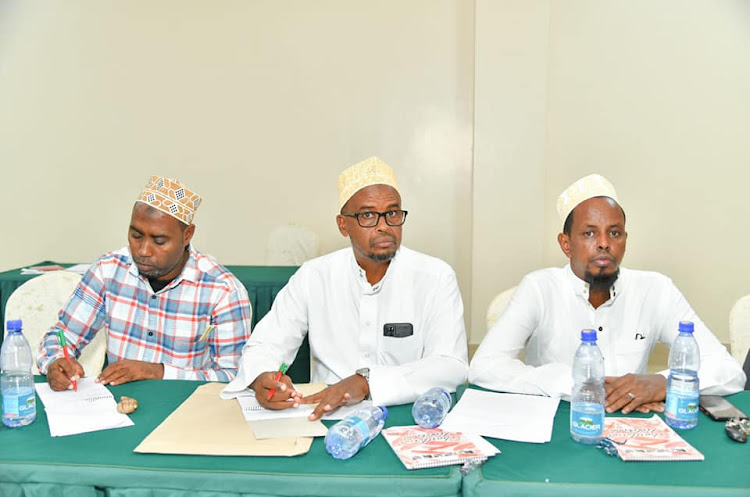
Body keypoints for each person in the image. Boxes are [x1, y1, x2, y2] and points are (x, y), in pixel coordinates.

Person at [469, 174, 745, 414]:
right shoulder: (539, 288)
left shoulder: (656, 290)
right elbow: (484, 366)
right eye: (589, 233)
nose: (604, 244)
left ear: (625, 239)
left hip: (633, 424)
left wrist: (662, 383)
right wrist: (577, 384)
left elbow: (728, 371)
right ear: (566, 244)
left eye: (614, 233)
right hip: (559, 426)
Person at [222, 157, 468, 419]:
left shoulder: (435, 277)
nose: (384, 225)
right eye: (368, 216)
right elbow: (267, 343)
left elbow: (451, 365)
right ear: (343, 224)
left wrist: (367, 382)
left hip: (408, 414)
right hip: (322, 413)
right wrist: (262, 376)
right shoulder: (314, 276)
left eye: (392, 213)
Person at [39, 176, 253, 390]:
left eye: (159, 241)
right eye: (136, 236)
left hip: (187, 408)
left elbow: (234, 375)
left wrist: (157, 372)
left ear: (187, 235)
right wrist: (56, 362)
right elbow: (63, 335)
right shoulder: (108, 270)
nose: (143, 251)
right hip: (118, 406)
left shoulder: (222, 290)